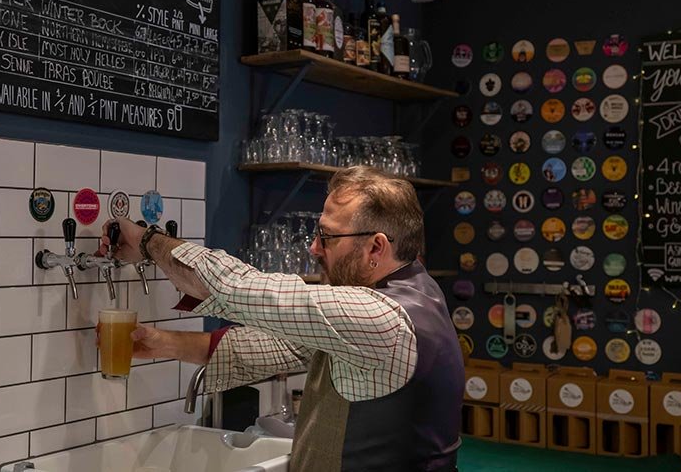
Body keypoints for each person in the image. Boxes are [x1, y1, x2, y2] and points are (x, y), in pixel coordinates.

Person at [101, 166, 464, 471]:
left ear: (376, 248)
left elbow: (232, 287)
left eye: (327, 236)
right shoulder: (417, 292)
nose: (314, 247)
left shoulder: (382, 317)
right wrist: (161, 343)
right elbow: (274, 348)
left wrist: (148, 241)